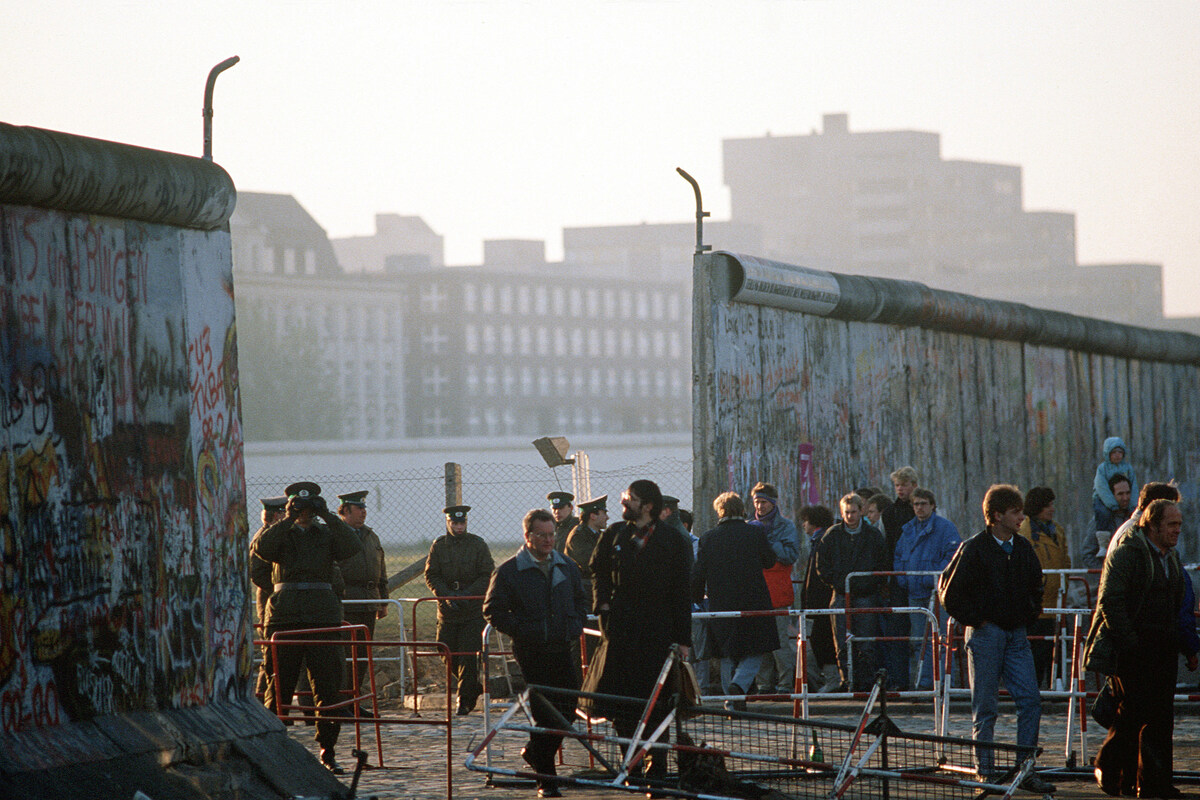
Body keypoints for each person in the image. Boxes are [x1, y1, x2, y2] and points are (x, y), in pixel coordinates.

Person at [937, 484, 1054, 793]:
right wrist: (978, 620)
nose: (1021, 517)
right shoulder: (973, 548)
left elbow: (1036, 585)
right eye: (1015, 512)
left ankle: (1025, 769)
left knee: (1030, 700)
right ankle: (985, 773)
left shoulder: (1023, 548)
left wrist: (1028, 615)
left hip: (1015, 634)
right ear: (997, 515)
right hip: (986, 635)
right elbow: (948, 592)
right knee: (985, 706)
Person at [587, 479, 692, 794]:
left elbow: (681, 592)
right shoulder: (615, 534)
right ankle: (631, 765)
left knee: (657, 707)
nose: (624, 502)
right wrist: (602, 604)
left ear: (647, 505)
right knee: (623, 707)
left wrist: (683, 639)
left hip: (658, 635)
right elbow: (598, 570)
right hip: (620, 633)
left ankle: (656, 772)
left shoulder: (673, 540)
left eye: (629, 498)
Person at [251, 481, 363, 773]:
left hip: (322, 616)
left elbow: (352, 546)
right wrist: (287, 518)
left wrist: (327, 515)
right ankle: (275, 748)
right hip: (285, 616)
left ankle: (328, 749)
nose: (304, 513)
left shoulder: (326, 532)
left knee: (327, 686)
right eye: (299, 508)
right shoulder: (280, 534)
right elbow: (261, 549)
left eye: (308, 508)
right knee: (279, 685)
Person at [1085, 499, 1193, 799]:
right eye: (1171, 524)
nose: (1177, 530)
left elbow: (1176, 603)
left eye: (1179, 524)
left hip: (1162, 649)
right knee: (1133, 715)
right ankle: (1108, 768)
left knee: (1160, 719)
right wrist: (1130, 642)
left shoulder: (1168, 557)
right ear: (1153, 524)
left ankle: (1154, 784)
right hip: (1134, 650)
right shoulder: (1129, 553)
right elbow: (1110, 601)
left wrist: (1184, 645)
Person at [484, 508, 588, 799]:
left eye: (551, 534)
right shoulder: (509, 571)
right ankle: (547, 780)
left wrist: (574, 625)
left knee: (567, 709)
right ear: (527, 536)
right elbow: (492, 610)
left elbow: (581, 600)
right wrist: (522, 630)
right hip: (531, 651)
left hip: (562, 647)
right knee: (544, 713)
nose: (547, 540)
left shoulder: (566, 566)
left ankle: (534, 753)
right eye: (541, 535)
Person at [690, 492, 778, 709]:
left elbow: (698, 573)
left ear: (720, 511)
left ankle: (731, 701)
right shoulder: (754, 533)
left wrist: (696, 598)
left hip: (722, 601)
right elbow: (769, 561)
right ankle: (739, 686)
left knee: (727, 652)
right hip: (754, 599)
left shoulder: (708, 538)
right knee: (755, 648)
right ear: (741, 510)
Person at [425, 504, 495, 715]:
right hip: (447, 610)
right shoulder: (439, 545)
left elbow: (487, 574)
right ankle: (472, 686)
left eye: (462, 522)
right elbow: (431, 575)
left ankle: (464, 701)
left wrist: (467, 595)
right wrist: (445, 595)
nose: (459, 526)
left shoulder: (478, 544)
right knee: (445, 649)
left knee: (467, 654)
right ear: (448, 523)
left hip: (472, 609)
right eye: (455, 523)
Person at [815, 492, 888, 692]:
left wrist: (868, 583)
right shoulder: (832, 535)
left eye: (853, 512)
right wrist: (838, 583)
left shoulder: (873, 535)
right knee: (842, 642)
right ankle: (847, 680)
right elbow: (821, 565)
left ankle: (866, 683)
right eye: (846, 512)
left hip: (866, 595)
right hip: (840, 594)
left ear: (860, 511)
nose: (850, 516)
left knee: (866, 642)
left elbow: (882, 563)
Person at [893, 488, 960, 690]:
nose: (919, 508)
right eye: (916, 504)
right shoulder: (908, 530)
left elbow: (952, 557)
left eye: (923, 503)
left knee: (941, 640)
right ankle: (923, 683)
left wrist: (931, 578)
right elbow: (898, 556)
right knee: (918, 641)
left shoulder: (946, 529)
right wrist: (904, 579)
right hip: (914, 594)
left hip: (938, 594)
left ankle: (945, 683)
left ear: (932, 505)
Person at [748, 481, 804, 697]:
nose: (760, 507)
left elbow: (791, 555)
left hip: (779, 592)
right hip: (758, 592)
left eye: (763, 502)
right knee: (760, 644)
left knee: (780, 643)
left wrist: (767, 543)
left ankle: (784, 683)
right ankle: (764, 685)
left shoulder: (786, 527)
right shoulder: (750, 526)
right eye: (757, 502)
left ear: (773, 503)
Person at [336, 490, 389, 714]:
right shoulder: (336, 535)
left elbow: (381, 568)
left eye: (365, 508)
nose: (364, 513)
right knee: (345, 656)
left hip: (369, 602)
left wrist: (383, 600)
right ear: (345, 511)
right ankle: (343, 703)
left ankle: (356, 703)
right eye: (359, 509)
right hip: (347, 603)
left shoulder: (370, 536)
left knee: (362, 657)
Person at [1016, 487, 1070, 688]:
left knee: (1055, 651)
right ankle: (1033, 691)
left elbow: (1065, 560)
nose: (1052, 509)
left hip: (1056, 602)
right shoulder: (1025, 531)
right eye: (1048, 505)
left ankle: (1055, 693)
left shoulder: (1057, 530)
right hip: (1034, 606)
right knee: (1035, 653)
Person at [880, 466, 919, 690]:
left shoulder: (920, 510)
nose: (900, 489)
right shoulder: (890, 513)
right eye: (897, 485)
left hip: (914, 575)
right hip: (896, 576)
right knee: (897, 630)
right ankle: (899, 679)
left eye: (904, 484)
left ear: (914, 485)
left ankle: (920, 680)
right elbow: (887, 546)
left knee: (918, 631)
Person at [565, 495, 608, 678]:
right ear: (593, 515)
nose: (607, 517)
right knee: (585, 649)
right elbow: (590, 563)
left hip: (598, 595)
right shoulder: (579, 536)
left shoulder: (600, 536)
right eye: (604, 513)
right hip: (585, 598)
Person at [799, 504, 838, 691]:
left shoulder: (821, 541)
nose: (803, 525)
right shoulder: (820, 540)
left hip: (820, 601)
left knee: (822, 640)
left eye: (805, 521)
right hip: (818, 600)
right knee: (819, 640)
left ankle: (832, 680)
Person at [251, 496, 288, 698]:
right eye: (284, 513)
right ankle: (263, 698)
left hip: (275, 600)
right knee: (270, 653)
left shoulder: (275, 536)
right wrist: (277, 590)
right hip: (269, 602)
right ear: (276, 515)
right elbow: (257, 572)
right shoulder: (264, 537)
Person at [1093, 436, 1138, 535]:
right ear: (1107, 454)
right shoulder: (1103, 468)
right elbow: (1102, 487)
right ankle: (1103, 542)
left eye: (1120, 452)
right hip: (1104, 499)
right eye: (1113, 452)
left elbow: (1134, 486)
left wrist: (1132, 504)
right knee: (1103, 513)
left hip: (1122, 501)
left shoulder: (1127, 468)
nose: (1117, 455)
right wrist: (1112, 504)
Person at [1092, 475, 1134, 568]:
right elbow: (1088, 555)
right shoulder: (1101, 520)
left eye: (1128, 493)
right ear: (1111, 495)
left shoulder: (1134, 518)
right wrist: (1106, 573)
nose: (1125, 498)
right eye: (1120, 494)